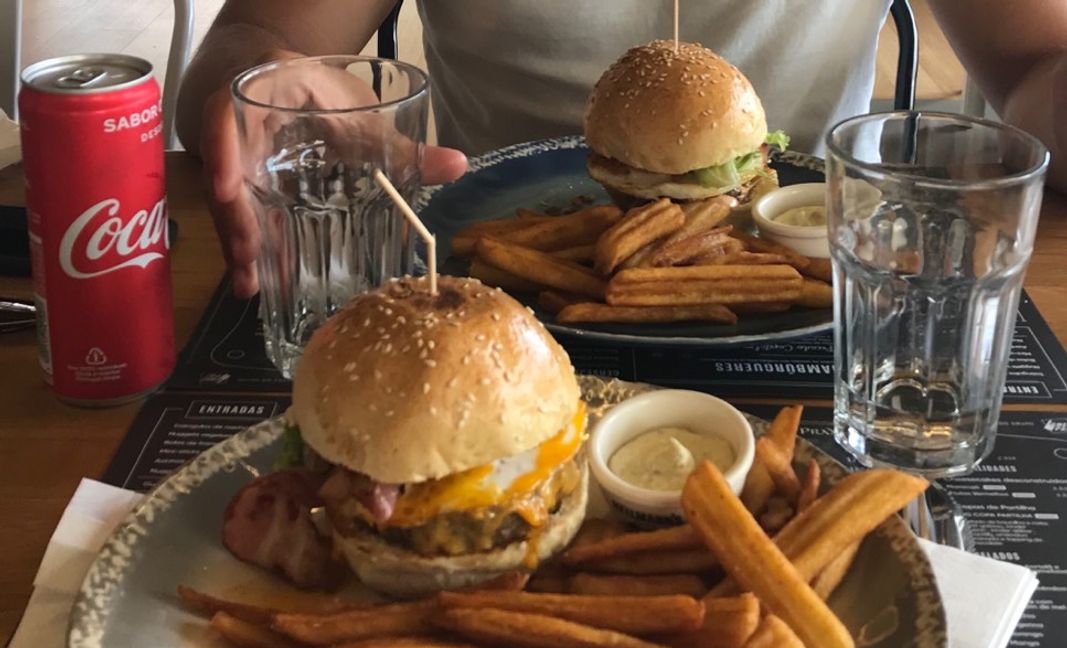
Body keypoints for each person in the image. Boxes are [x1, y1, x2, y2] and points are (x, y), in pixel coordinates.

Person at [176, 0, 1067, 297]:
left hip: (821, 298)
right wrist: (263, 85)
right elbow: (248, 39)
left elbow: (1036, 63)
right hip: (487, 291)